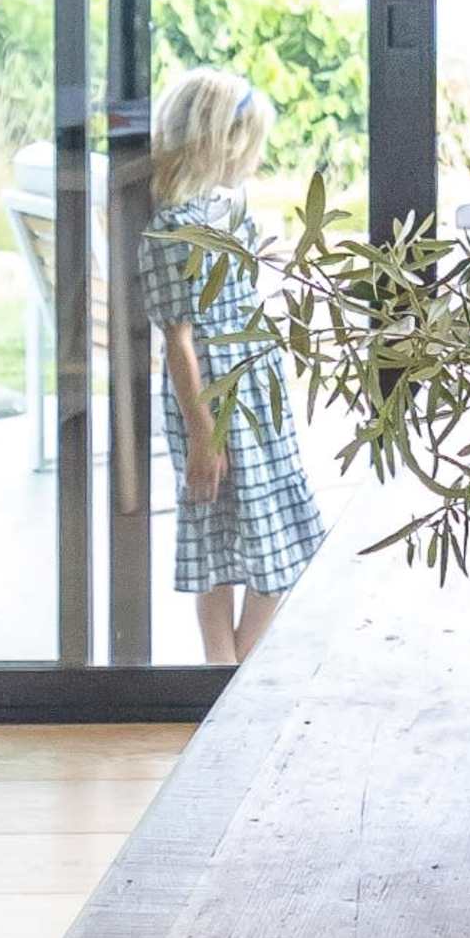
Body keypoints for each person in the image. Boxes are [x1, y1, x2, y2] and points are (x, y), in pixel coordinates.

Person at [139, 63, 326, 663]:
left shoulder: (227, 208)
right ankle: (226, 676)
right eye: (250, 147)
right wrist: (202, 435)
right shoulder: (172, 229)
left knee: (279, 535)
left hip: (253, 386)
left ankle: (227, 677)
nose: (255, 160)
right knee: (216, 536)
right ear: (220, 142)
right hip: (213, 401)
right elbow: (177, 340)